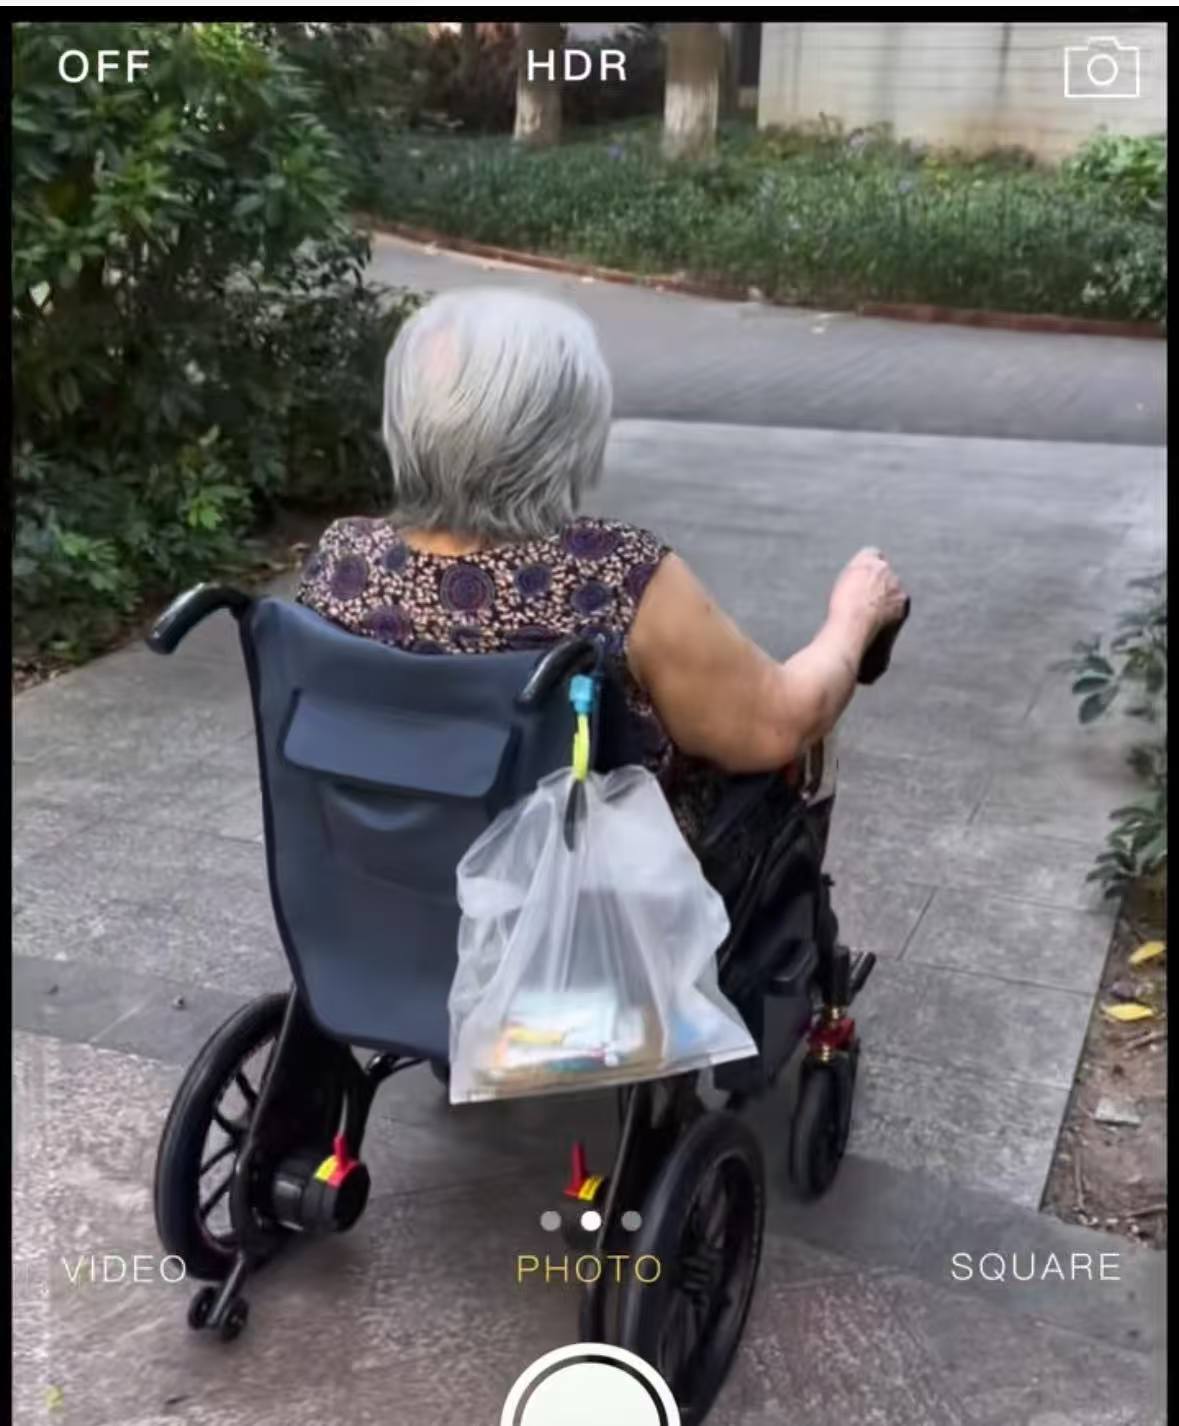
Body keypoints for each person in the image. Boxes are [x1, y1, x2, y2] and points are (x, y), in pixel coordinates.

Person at [296, 287, 907, 883]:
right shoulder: (615, 573)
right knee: (791, 757)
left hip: (387, 888)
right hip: (583, 920)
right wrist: (854, 615)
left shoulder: (345, 560)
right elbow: (780, 724)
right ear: (568, 431)